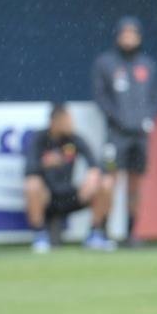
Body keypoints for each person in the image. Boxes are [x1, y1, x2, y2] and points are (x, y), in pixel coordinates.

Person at [91, 16, 157, 246]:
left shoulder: (147, 65)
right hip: (116, 134)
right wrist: (118, 119)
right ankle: (101, 230)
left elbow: (155, 97)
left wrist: (147, 119)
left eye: (133, 34)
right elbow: (101, 97)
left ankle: (132, 231)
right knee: (108, 181)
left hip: (140, 134)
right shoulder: (105, 63)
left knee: (136, 184)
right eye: (124, 34)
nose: (128, 39)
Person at [23, 103, 114, 253]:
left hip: (71, 196)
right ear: (55, 121)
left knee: (105, 183)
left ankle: (95, 234)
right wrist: (45, 164)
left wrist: (93, 175)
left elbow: (95, 164)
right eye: (66, 120)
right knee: (32, 184)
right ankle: (40, 236)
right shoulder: (39, 139)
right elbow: (28, 170)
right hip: (48, 198)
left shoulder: (73, 139)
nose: (70, 124)